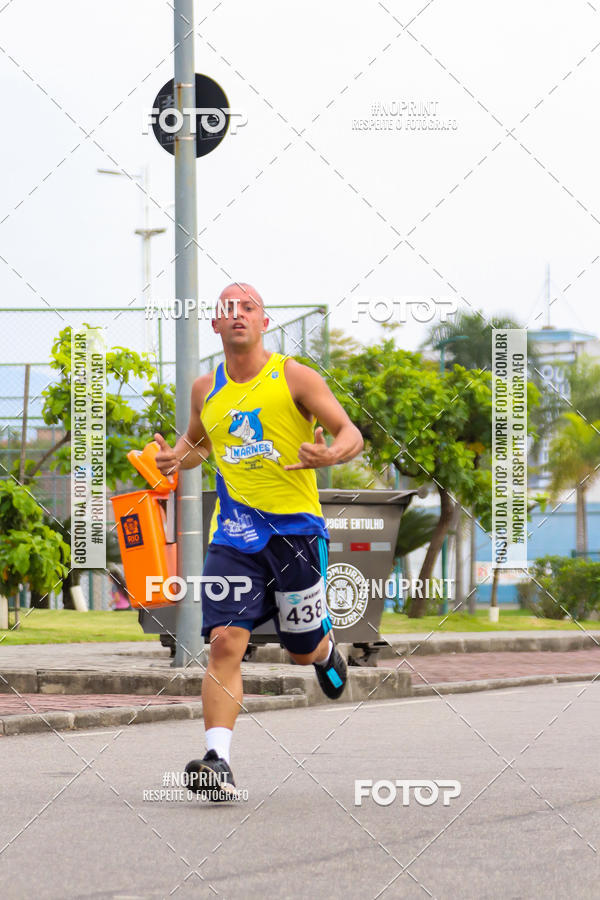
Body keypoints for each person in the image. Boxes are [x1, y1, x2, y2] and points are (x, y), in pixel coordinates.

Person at [154, 283, 363, 800]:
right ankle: (217, 760)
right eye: (228, 309)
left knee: (300, 650)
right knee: (225, 642)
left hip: (295, 532)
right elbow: (200, 444)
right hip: (235, 535)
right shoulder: (207, 388)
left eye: (248, 307)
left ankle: (324, 653)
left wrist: (331, 455)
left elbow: (350, 433)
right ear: (216, 325)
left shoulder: (293, 376)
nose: (238, 315)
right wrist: (174, 459)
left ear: (264, 322)